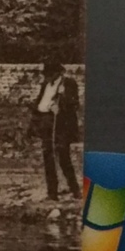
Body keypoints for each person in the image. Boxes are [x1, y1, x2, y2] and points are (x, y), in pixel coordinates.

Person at [31, 62, 82, 200]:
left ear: (57, 73)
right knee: (48, 158)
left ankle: (75, 189)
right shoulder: (45, 85)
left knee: (63, 158)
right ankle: (52, 193)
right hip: (46, 124)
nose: (47, 78)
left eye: (49, 75)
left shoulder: (69, 83)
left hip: (62, 126)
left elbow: (74, 103)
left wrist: (62, 102)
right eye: (46, 75)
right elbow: (39, 103)